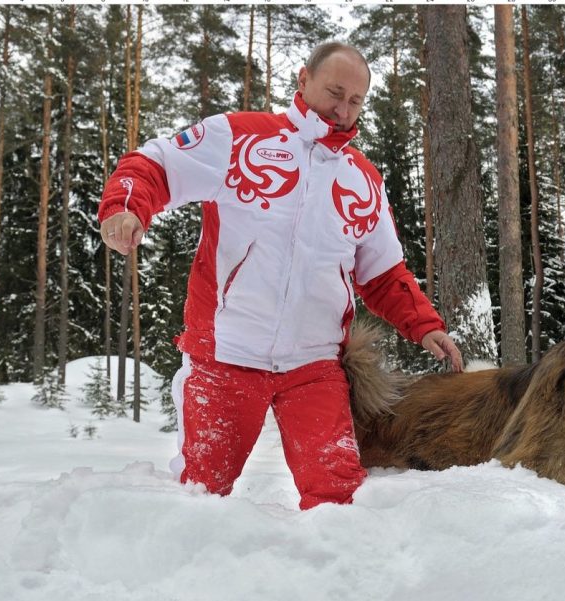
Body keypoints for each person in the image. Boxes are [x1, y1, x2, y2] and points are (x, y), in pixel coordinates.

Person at [98, 42, 462, 510]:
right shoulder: (239, 137)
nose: (343, 111)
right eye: (334, 93)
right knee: (200, 495)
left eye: (355, 101)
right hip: (226, 356)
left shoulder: (363, 179)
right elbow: (155, 164)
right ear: (303, 78)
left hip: (314, 366)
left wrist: (426, 326)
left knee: (337, 499)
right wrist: (126, 207)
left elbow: (384, 274)